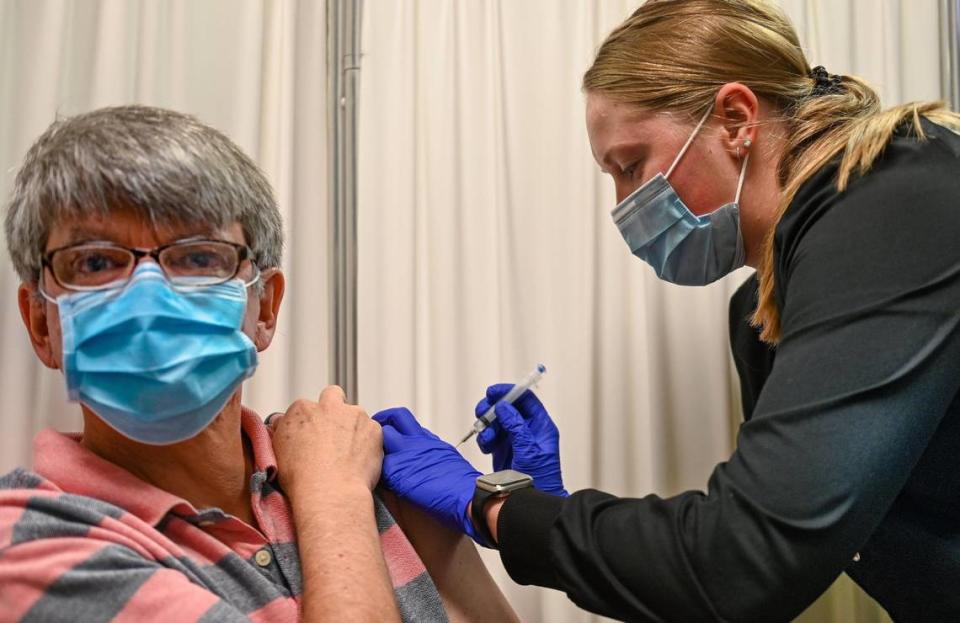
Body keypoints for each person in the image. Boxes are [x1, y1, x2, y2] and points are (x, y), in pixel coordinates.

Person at [369, 1, 960, 621]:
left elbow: (741, 562)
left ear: (736, 118)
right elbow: (769, 560)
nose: (624, 206)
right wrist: (548, 506)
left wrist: (492, 507)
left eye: (631, 166)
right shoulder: (760, 319)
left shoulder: (894, 207)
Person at [0, 106, 518, 623]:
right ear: (43, 324)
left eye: (198, 257)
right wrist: (334, 498)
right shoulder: (26, 544)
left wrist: (526, 519)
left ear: (264, 308)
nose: (149, 298)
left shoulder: (360, 462)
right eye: (95, 262)